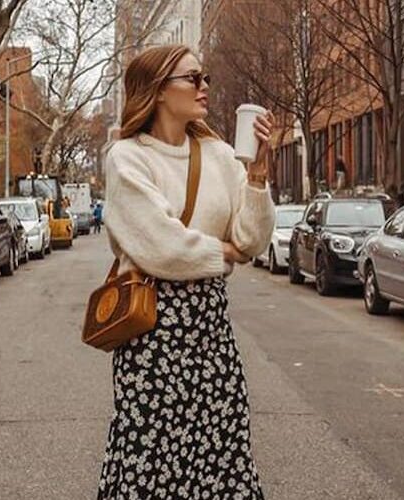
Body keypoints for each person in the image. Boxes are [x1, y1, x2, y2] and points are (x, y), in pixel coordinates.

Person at [97, 45, 275, 499]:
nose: (204, 87)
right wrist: (223, 253)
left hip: (212, 332)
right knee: (150, 459)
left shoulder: (219, 155)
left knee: (224, 456)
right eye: (192, 79)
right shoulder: (127, 157)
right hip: (151, 331)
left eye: (205, 77)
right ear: (158, 90)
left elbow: (251, 240)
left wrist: (257, 177)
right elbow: (162, 246)